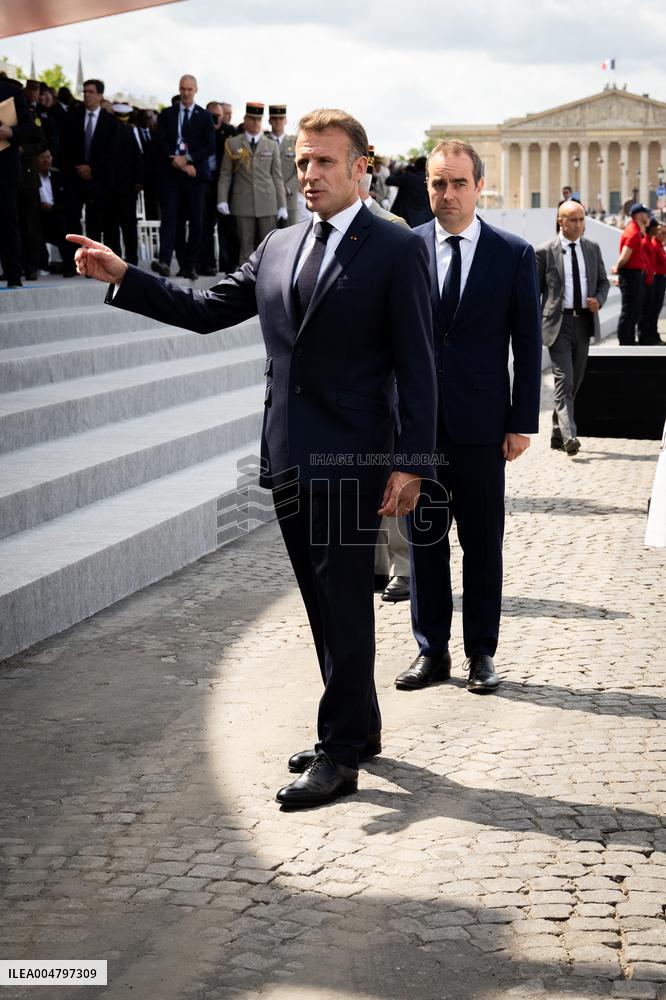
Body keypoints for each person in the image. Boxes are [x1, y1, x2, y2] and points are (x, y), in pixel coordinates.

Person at [67, 107, 436, 810]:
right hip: (289, 452)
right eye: (302, 162)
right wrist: (125, 275)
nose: (309, 174)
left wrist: (412, 462)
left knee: (346, 605)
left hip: (355, 459)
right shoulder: (278, 244)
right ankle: (359, 727)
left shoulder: (396, 246)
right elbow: (206, 309)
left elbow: (419, 366)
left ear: (360, 168)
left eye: (324, 161)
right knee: (321, 603)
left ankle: (339, 756)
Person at [394, 138, 542, 695]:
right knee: (425, 544)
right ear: (427, 186)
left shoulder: (513, 253)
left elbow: (527, 343)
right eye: (439, 183)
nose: (448, 193)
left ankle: (482, 652)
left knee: (482, 545)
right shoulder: (404, 248)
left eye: (459, 183)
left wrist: (521, 422)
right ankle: (431, 651)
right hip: (420, 430)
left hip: (483, 427)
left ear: (480, 186)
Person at [360, 146, 412, 604]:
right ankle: (374, 565)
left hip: (388, 377)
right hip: (352, 378)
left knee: (394, 475)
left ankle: (404, 567)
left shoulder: (394, 230)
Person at [536, 200, 610, 456]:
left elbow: (603, 282)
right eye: (573, 220)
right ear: (561, 221)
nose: (579, 225)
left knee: (575, 381)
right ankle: (570, 436)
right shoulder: (544, 252)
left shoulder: (592, 248)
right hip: (558, 324)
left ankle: (558, 430)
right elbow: (534, 291)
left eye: (581, 220)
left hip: (584, 323)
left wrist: (598, 300)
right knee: (564, 379)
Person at [152, 74, 215, 280]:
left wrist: (188, 160)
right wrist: (174, 160)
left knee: (196, 221)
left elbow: (209, 146)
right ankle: (165, 260)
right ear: (179, 89)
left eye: (189, 89)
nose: (186, 93)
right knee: (171, 218)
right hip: (172, 174)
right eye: (183, 89)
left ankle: (190, 265)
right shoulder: (167, 114)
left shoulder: (204, 116)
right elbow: (160, 141)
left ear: (195, 90)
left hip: (195, 176)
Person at [217, 101, 287, 264]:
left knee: (268, 247)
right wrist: (222, 199)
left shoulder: (271, 145)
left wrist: (282, 204)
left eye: (258, 119)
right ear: (245, 119)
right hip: (243, 202)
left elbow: (277, 176)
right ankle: (245, 279)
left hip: (267, 202)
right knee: (245, 248)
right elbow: (225, 174)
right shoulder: (233, 143)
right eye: (252, 118)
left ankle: (267, 278)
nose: (255, 123)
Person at [61, 78, 119, 251]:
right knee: (72, 219)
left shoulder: (110, 121)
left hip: (99, 179)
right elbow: (66, 147)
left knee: (97, 221)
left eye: (91, 92)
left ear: (100, 95)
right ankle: (74, 259)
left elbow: (111, 152)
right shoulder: (73, 117)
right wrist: (79, 167)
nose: (86, 95)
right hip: (75, 177)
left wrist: (92, 168)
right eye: (84, 92)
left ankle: (95, 258)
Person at [0, 75, 34, 288]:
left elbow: (29, 128)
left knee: (6, 221)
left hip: (4, 170)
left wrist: (11, 132)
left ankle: (13, 274)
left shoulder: (11, 92)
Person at [612, 203, 649, 345]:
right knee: (629, 310)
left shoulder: (635, 231)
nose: (647, 216)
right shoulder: (633, 233)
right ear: (638, 215)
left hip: (635, 275)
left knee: (633, 310)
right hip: (631, 275)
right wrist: (617, 268)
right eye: (645, 213)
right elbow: (624, 257)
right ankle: (625, 341)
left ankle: (629, 340)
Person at [36, 148, 76, 276]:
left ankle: (70, 266)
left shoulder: (58, 176)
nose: (46, 161)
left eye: (48, 157)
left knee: (64, 229)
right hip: (38, 213)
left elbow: (66, 198)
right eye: (42, 158)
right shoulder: (31, 177)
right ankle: (39, 264)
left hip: (55, 212)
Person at [267, 104, 299, 226]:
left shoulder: (294, 142)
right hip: (268, 199)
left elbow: (301, 169)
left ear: (285, 120)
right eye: (274, 118)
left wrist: (288, 188)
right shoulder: (263, 143)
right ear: (269, 121)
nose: (278, 122)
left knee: (292, 235)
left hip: (289, 199)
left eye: (281, 118)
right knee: (269, 235)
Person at [386, 156, 432, 227]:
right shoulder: (429, 180)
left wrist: (400, 171)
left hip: (403, 218)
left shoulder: (408, 176)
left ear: (416, 165)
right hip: (422, 219)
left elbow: (388, 180)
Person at [637, 218, 660, 345]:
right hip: (647, 281)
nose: (658, 230)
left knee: (651, 310)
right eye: (657, 228)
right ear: (652, 228)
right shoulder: (645, 242)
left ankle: (650, 336)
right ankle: (644, 337)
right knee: (645, 311)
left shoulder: (650, 242)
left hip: (652, 279)